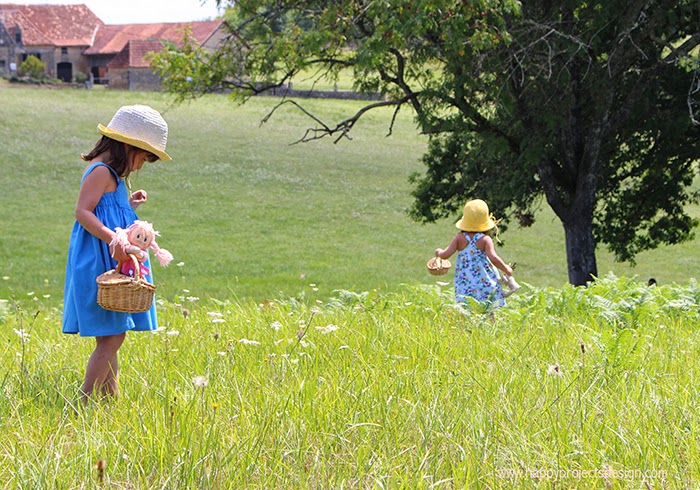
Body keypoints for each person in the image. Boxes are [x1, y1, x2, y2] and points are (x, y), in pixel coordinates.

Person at [62, 105, 172, 403]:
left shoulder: (112, 176)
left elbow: (104, 212)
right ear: (128, 146)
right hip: (100, 258)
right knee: (113, 336)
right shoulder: (101, 171)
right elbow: (83, 212)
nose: (139, 167)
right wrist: (114, 239)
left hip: (107, 254)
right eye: (143, 158)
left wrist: (129, 208)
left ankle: (110, 401)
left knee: (111, 334)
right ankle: (84, 401)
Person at [435, 199, 517, 308]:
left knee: (466, 307)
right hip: (484, 280)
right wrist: (507, 269)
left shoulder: (459, 238)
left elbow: (445, 255)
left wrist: (438, 252)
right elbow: (494, 258)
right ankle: (491, 324)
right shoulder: (485, 239)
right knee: (489, 307)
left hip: (465, 281)